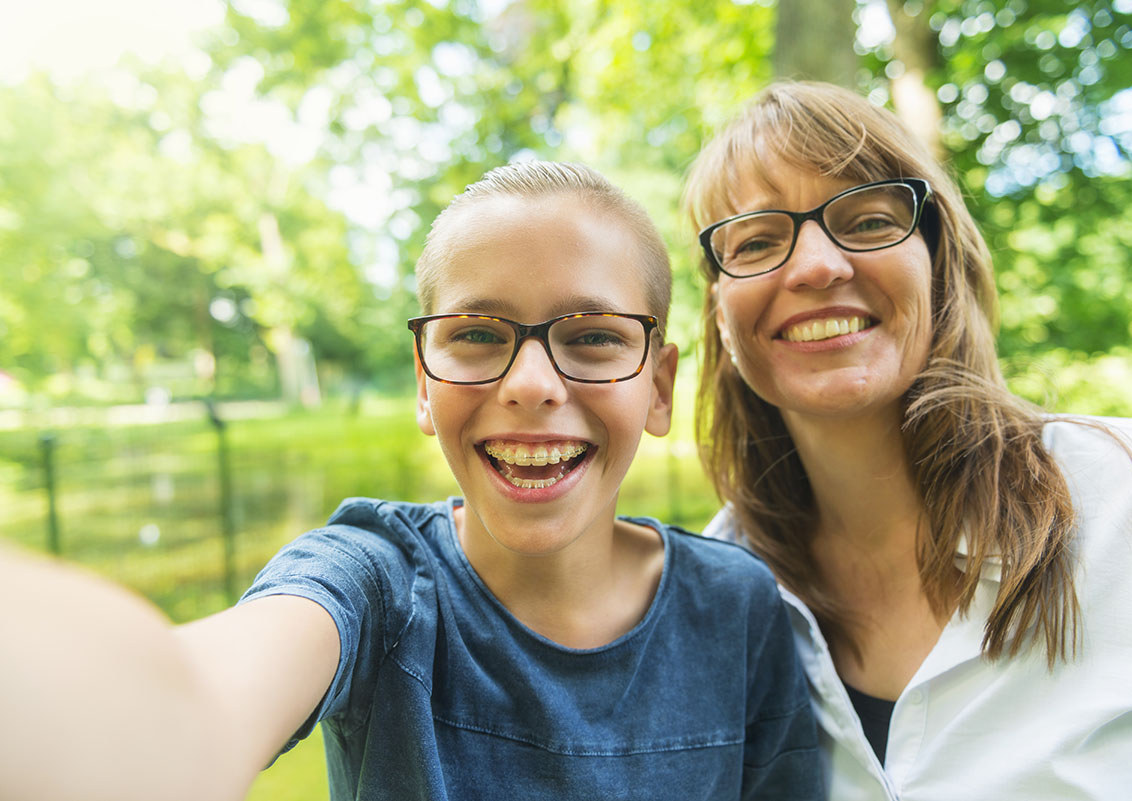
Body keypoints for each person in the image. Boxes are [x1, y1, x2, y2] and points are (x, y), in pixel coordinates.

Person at [0, 161, 823, 801]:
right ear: (424, 384)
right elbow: (197, 700)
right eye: (475, 332)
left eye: (594, 336)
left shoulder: (739, 607)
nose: (532, 382)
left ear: (661, 386)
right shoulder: (373, 584)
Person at [682, 80, 1132, 800]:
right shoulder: (712, 602)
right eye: (760, 240)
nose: (818, 266)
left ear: (939, 260)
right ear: (718, 312)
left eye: (865, 222)